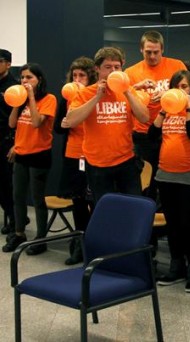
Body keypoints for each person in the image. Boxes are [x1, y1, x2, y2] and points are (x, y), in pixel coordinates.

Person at [149, 70, 190, 293]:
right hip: (166, 174)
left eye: (185, 87)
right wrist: (164, 110)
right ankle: (176, 265)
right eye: (178, 87)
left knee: (187, 223)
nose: (181, 91)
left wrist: (188, 106)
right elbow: (151, 136)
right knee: (172, 224)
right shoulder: (167, 112)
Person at [66, 47, 149, 203]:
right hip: (97, 164)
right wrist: (97, 97)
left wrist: (126, 92)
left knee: (133, 206)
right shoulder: (85, 93)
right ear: (97, 69)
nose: (113, 71)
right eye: (108, 67)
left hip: (126, 161)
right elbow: (71, 120)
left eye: (117, 67)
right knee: (104, 209)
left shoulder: (128, 91)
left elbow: (144, 117)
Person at [125, 31, 187, 201]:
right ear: (141, 50)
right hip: (143, 133)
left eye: (156, 52)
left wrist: (168, 93)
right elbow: (123, 98)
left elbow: (189, 90)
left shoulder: (176, 65)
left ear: (162, 50)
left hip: (171, 130)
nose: (152, 56)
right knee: (146, 182)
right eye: (148, 52)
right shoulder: (131, 72)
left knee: (170, 179)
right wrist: (136, 88)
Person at [3, 63, 56, 253]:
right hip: (21, 154)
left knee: (37, 198)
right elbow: (11, 124)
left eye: (29, 77)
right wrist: (18, 103)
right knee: (18, 196)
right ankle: (19, 234)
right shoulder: (21, 99)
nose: (24, 81)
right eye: (22, 77)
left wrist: (31, 97)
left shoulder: (49, 99)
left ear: (39, 80)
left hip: (39, 155)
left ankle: (41, 239)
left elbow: (35, 123)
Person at [54, 56, 97, 264]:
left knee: (95, 202)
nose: (78, 79)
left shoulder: (95, 96)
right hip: (73, 154)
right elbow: (57, 129)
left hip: (93, 154)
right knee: (78, 203)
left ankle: (96, 246)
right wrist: (67, 116)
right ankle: (79, 246)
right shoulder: (67, 96)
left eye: (82, 75)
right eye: (75, 75)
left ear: (91, 77)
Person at [0, 49, 18, 236]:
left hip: (7, 140)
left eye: (0, 61)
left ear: (8, 64)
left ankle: (15, 219)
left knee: (7, 184)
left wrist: (16, 143)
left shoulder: (14, 86)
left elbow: (19, 119)